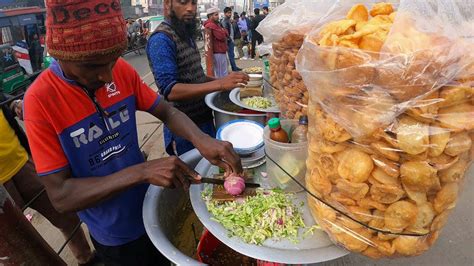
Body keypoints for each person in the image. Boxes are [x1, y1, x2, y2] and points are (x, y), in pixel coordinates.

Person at [23, 1, 243, 265]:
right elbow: (61, 196)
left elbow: (167, 111)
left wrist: (201, 139)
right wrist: (141, 171)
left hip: (148, 207)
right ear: (62, 56)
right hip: (114, 234)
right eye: (93, 67)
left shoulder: (120, 71)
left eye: (112, 61)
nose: (106, 76)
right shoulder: (40, 101)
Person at [0, 93, 96, 265]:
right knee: (16, 246)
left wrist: (14, 104)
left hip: (21, 161)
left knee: (65, 214)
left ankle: (86, 259)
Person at [146, 0, 249, 156]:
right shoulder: (161, 40)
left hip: (204, 120)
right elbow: (170, 90)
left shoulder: (185, 34)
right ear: (167, 4)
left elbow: (197, 77)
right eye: (183, 3)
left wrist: (228, 80)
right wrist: (220, 84)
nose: (190, 8)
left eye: (193, 3)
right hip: (184, 131)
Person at [204, 7, 229, 78]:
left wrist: (223, 31)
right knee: (221, 73)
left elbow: (226, 33)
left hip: (221, 51)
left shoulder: (216, 24)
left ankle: (224, 86)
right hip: (218, 52)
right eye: (216, 15)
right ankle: (222, 87)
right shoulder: (210, 25)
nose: (218, 16)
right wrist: (223, 31)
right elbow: (221, 36)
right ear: (210, 16)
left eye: (217, 14)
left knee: (222, 71)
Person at [221, 7, 241, 71]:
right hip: (228, 41)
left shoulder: (228, 21)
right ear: (225, 13)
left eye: (230, 13)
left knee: (232, 55)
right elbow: (225, 32)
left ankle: (234, 67)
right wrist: (228, 40)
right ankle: (234, 68)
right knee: (230, 55)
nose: (230, 14)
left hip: (230, 40)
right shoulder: (224, 21)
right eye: (228, 13)